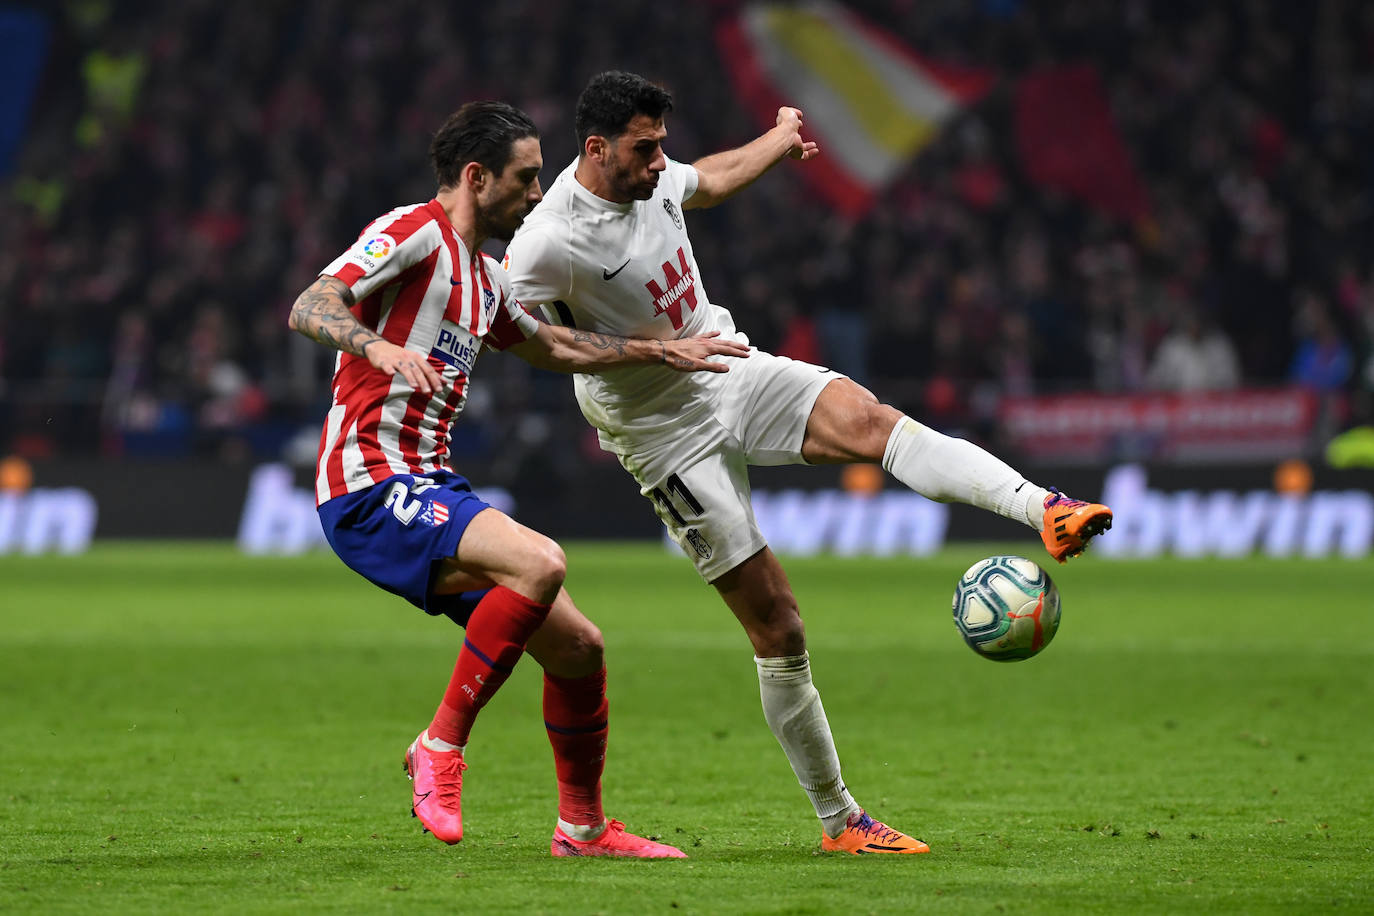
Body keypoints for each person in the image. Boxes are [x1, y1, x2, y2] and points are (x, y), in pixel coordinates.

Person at [504, 71, 1113, 856]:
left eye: (660, 146)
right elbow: (530, 342)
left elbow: (707, 180)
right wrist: (653, 350)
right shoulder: (548, 240)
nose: (660, 163)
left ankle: (1045, 510)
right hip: (659, 431)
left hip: (726, 364)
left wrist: (779, 138)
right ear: (597, 149)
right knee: (777, 624)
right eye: (645, 149)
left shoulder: (653, 176)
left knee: (871, 419)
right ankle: (841, 823)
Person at [287, 100, 749, 858]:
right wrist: (376, 350)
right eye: (525, 178)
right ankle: (439, 747)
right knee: (540, 561)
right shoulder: (412, 233)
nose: (538, 193)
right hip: (370, 484)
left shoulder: (486, 278)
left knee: (579, 648)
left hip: (428, 483)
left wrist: (662, 351)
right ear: (476, 177)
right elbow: (313, 302)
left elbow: (554, 346)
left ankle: (584, 829)